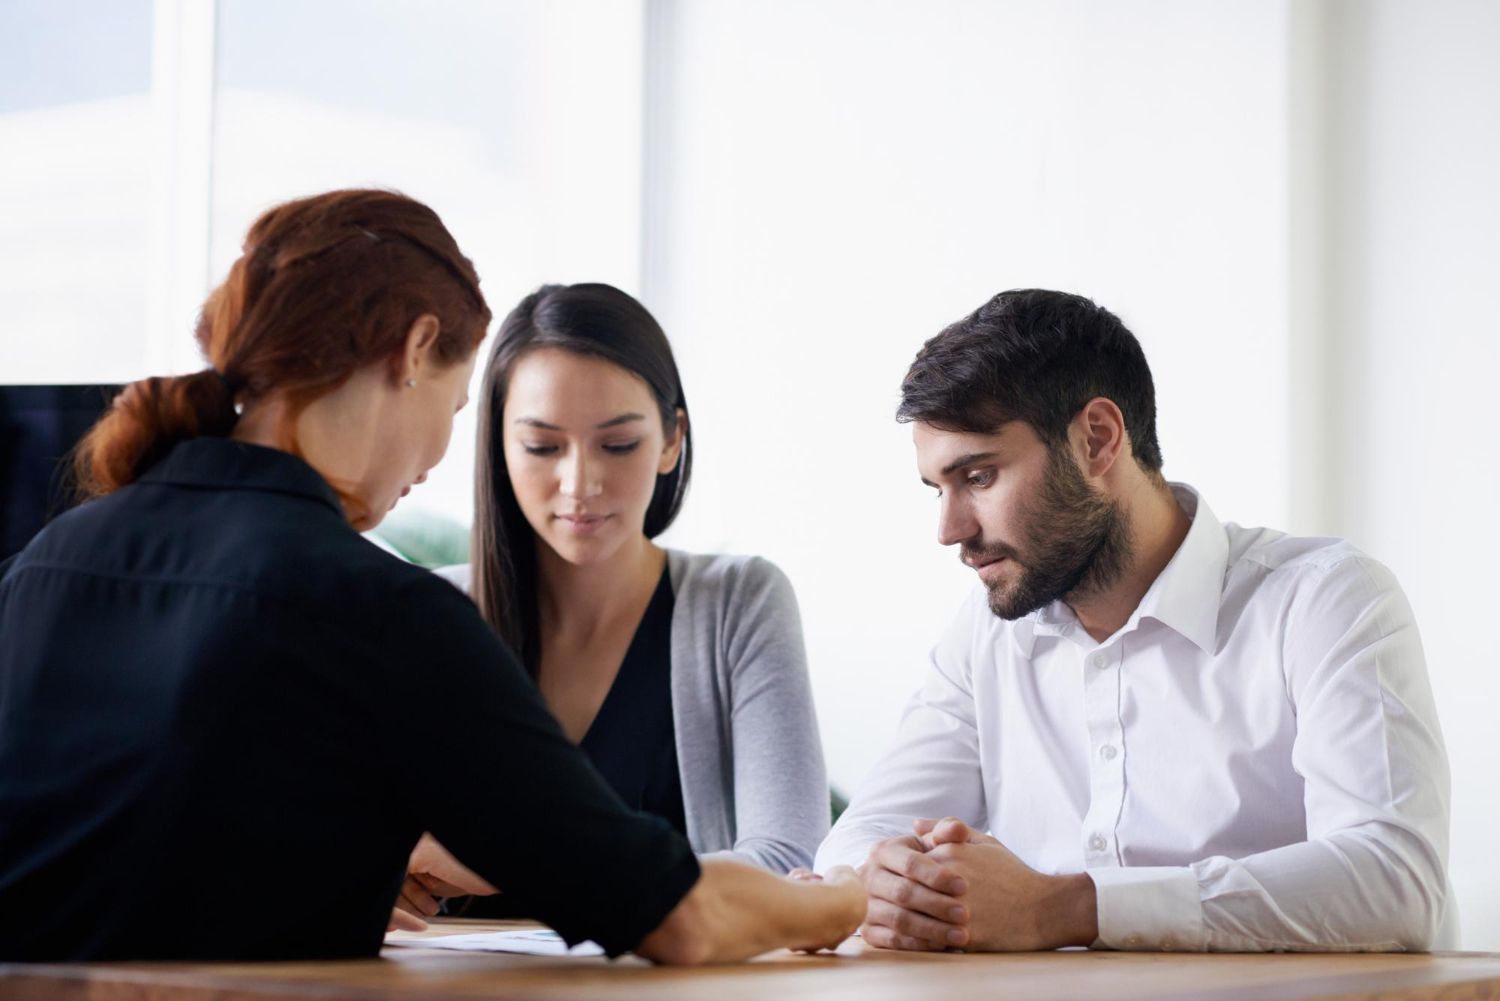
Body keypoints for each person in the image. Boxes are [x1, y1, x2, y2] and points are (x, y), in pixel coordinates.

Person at [0, 189, 864, 962]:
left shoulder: (43, 565)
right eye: (458, 407)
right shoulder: (382, 611)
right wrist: (850, 897)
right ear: (415, 349)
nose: (440, 453)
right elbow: (673, 915)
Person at [815, 289, 1453, 954]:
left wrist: (1063, 907)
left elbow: (1394, 882)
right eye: (938, 489)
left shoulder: (1324, 602)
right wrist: (891, 879)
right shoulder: (986, 635)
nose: (950, 530)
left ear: (1097, 438)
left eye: (978, 476)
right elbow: (857, 841)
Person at [420, 283, 825, 908]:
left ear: (670, 440)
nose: (579, 482)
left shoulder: (738, 603)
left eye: (617, 444)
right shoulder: (432, 615)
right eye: (541, 446)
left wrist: (512, 863)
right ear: (499, 447)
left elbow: (790, 864)